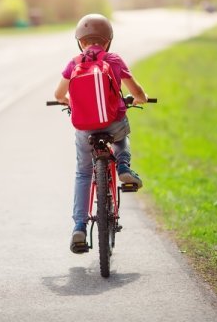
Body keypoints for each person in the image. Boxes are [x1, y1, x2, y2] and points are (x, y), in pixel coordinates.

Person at [53, 13, 148, 254]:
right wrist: (140, 98)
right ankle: (124, 167)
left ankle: (79, 227)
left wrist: (69, 102)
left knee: (84, 173)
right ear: (107, 41)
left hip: (85, 129)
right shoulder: (114, 60)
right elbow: (136, 90)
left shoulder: (75, 63)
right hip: (113, 124)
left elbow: (58, 94)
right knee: (122, 135)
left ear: (80, 42)